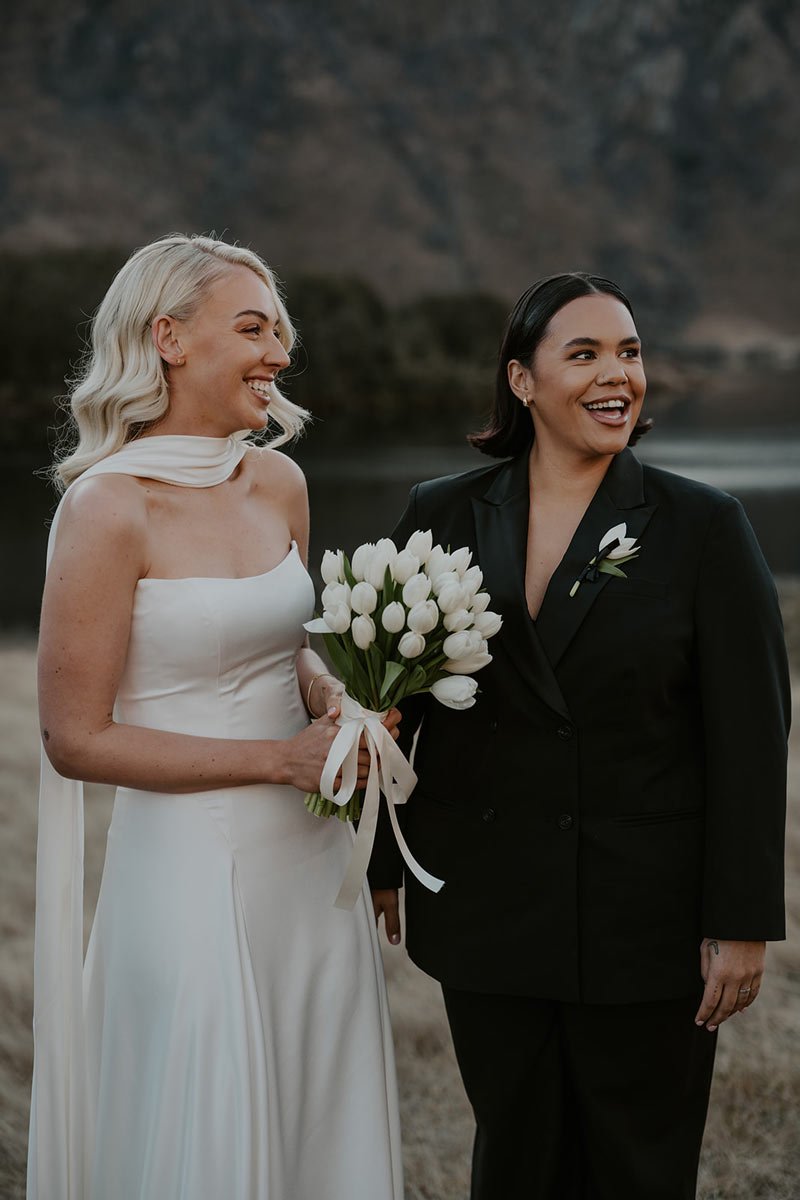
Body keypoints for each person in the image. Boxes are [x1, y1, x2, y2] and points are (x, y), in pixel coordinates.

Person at [370, 272, 789, 1199]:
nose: (619, 375)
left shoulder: (702, 526)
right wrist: (384, 864)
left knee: (639, 1167)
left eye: (630, 353)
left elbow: (753, 736)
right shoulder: (442, 513)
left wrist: (743, 919)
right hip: (487, 910)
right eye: (586, 353)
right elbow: (397, 705)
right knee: (515, 1156)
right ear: (522, 381)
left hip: (646, 918)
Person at [29, 234, 403, 1200]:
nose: (279, 352)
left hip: (311, 871)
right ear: (169, 338)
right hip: (190, 872)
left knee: (316, 1118)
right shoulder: (107, 511)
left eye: (281, 330)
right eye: (252, 328)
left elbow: (285, 650)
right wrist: (280, 761)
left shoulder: (280, 482)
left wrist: (339, 702)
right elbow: (76, 739)